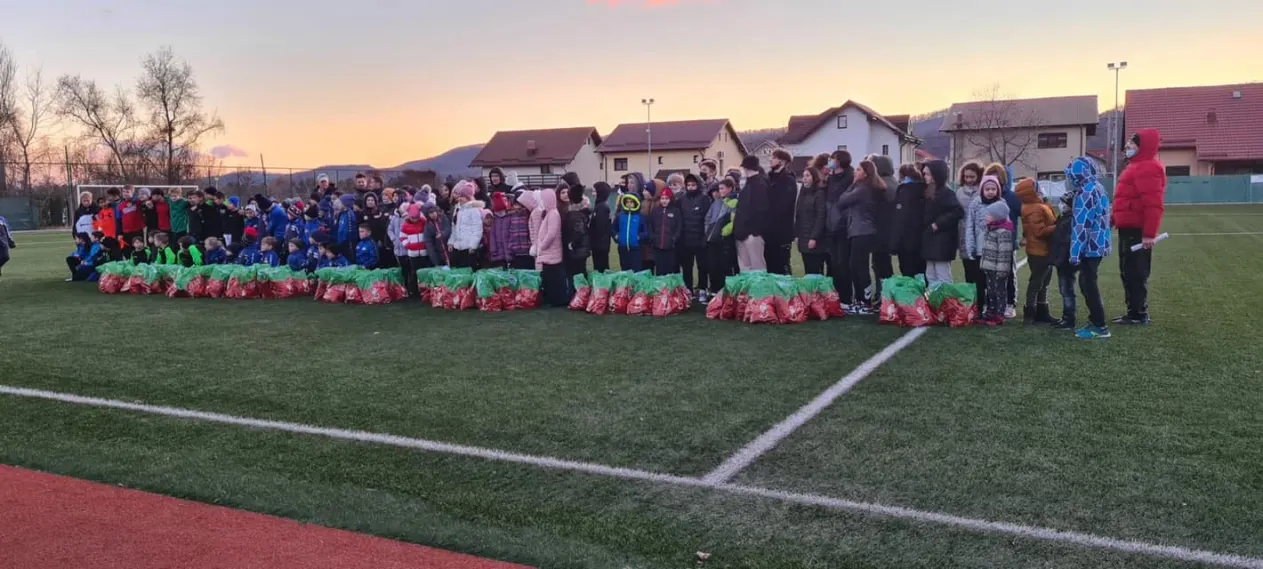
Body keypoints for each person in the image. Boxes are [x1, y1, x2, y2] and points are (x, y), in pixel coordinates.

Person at [1113, 129, 1166, 325]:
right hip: (1128, 229)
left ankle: (1139, 313)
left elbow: (1153, 205)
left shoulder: (1148, 168)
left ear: (1143, 147)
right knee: (1127, 271)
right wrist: (1113, 219)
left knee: (1136, 272)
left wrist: (1149, 234)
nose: (1127, 146)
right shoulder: (1134, 167)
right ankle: (1133, 311)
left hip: (1137, 230)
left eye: (1132, 143)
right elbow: (1123, 199)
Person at [1065, 157, 1113, 339]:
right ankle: (1095, 321)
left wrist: (1075, 253)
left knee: (1088, 284)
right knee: (1087, 282)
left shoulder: (1085, 192)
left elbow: (1082, 225)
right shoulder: (1097, 187)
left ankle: (1099, 326)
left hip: (1090, 247)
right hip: (1099, 244)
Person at [834, 160, 885, 314]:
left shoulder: (863, 189)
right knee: (855, 266)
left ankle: (865, 302)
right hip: (858, 231)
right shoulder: (864, 188)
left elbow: (842, 201)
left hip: (863, 232)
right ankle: (860, 300)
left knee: (859, 266)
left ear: (866, 173)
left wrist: (852, 185)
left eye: (858, 170)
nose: (855, 172)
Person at [1016, 178, 1057, 325]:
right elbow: (1039, 231)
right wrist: (1059, 227)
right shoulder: (1035, 208)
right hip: (1039, 251)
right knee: (1037, 283)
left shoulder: (1036, 206)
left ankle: (1041, 312)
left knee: (1043, 283)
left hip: (1042, 250)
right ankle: (1031, 314)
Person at [984, 163, 1023, 318]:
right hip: (988, 243)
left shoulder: (1011, 197)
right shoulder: (984, 197)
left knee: (1008, 274)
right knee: (989, 275)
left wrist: (1024, 236)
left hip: (1007, 243)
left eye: (997, 177)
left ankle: (1010, 303)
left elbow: (1024, 213)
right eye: (991, 176)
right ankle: (991, 303)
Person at [919, 161, 964, 284]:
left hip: (942, 241)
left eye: (928, 174)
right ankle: (934, 296)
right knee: (930, 274)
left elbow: (957, 211)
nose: (925, 177)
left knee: (942, 274)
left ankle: (945, 296)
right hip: (930, 240)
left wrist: (938, 224)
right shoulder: (929, 192)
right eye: (924, 174)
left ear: (936, 175)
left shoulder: (946, 193)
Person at [825, 151, 855, 303]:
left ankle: (846, 297)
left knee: (843, 264)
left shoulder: (849, 178)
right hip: (831, 226)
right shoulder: (831, 178)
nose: (830, 161)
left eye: (833, 158)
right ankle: (836, 296)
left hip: (843, 227)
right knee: (834, 264)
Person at [956, 162, 986, 309]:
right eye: (966, 176)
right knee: (968, 272)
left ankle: (981, 303)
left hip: (979, 237)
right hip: (964, 237)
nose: (968, 179)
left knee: (980, 273)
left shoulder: (983, 190)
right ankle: (971, 305)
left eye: (972, 177)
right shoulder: (959, 192)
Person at [733, 156, 770, 272]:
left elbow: (761, 209)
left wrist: (754, 232)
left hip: (752, 234)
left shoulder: (759, 184)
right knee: (745, 268)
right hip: (743, 232)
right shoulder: (749, 183)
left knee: (757, 266)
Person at [889, 164, 927, 276]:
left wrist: (894, 244)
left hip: (906, 241)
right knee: (922, 272)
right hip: (922, 239)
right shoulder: (925, 189)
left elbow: (899, 219)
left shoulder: (904, 191)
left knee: (908, 272)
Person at [677, 173, 711, 299]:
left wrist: (705, 237)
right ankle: (688, 290)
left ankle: (702, 289)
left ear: (698, 185)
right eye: (688, 185)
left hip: (700, 239)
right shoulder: (681, 199)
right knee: (687, 267)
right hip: (685, 240)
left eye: (693, 185)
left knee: (702, 266)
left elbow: (707, 219)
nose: (691, 187)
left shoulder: (704, 199)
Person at [765, 149, 797, 274]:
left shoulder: (789, 180)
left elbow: (784, 205)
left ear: (782, 161)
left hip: (782, 231)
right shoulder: (768, 178)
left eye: (773, 158)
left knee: (782, 265)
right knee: (769, 265)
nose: (770, 160)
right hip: (768, 232)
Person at [704, 177, 739, 295]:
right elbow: (708, 218)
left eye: (723, 188)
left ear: (730, 188)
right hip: (712, 239)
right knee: (713, 266)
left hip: (725, 240)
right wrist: (708, 231)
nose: (720, 191)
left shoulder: (735, 202)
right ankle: (714, 290)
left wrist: (723, 232)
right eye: (719, 189)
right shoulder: (716, 203)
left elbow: (734, 221)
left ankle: (726, 292)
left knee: (725, 266)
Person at [869, 156, 898, 298]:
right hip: (889, 230)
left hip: (881, 230)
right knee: (884, 264)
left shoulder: (881, 186)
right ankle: (884, 294)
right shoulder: (894, 183)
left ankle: (882, 295)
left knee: (880, 265)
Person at [535, 188, 567, 307]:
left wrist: (542, 246)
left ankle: (557, 300)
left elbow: (551, 234)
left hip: (551, 252)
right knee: (550, 277)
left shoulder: (553, 214)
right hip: (549, 253)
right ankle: (552, 298)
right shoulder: (550, 213)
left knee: (554, 277)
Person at [1049, 192, 1077, 330]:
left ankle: (1069, 319)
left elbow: (1065, 243)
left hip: (1065, 262)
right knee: (1065, 290)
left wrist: (1060, 259)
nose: (1061, 205)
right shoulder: (1064, 218)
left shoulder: (1069, 220)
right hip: (1062, 260)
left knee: (1067, 291)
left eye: (1064, 203)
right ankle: (1066, 317)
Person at [794, 166, 828, 276]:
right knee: (808, 270)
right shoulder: (802, 194)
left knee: (815, 270)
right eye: (803, 176)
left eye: (807, 176)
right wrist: (796, 235)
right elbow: (798, 216)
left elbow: (820, 216)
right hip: (803, 237)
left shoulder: (819, 193)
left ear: (814, 177)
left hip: (814, 237)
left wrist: (814, 237)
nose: (804, 178)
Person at [448, 181, 486, 269]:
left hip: (468, 247)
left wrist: (473, 246)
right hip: (457, 246)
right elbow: (454, 228)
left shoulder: (474, 209)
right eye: (459, 196)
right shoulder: (457, 209)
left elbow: (477, 229)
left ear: (468, 197)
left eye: (462, 196)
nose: (459, 198)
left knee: (467, 269)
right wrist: (451, 242)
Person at [645, 187, 682, 276]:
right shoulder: (655, 211)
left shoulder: (675, 211)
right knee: (659, 269)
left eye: (666, 198)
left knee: (670, 269)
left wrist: (674, 239)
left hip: (670, 247)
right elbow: (650, 225)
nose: (664, 201)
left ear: (670, 199)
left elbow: (679, 227)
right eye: (662, 198)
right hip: (657, 246)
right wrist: (653, 238)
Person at [561, 184, 591, 283]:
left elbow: (578, 232)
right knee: (580, 273)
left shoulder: (574, 215)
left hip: (576, 251)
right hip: (581, 250)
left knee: (575, 276)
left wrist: (571, 244)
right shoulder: (581, 213)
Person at [613, 193, 644, 271]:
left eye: (631, 202)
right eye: (627, 202)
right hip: (622, 248)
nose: (629, 204)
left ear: (636, 203)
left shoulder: (640, 217)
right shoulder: (619, 216)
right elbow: (613, 229)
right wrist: (616, 236)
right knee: (624, 270)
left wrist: (639, 237)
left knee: (636, 270)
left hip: (635, 249)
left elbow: (646, 232)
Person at [589, 182, 613, 273]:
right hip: (598, 245)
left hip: (600, 245)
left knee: (601, 268)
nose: (593, 194)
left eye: (595, 191)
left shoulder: (602, 207)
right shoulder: (598, 206)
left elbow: (600, 228)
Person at [422, 204, 451, 269]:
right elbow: (429, 244)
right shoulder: (428, 226)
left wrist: (442, 234)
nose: (433, 214)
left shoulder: (444, 218)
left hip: (449, 250)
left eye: (434, 211)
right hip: (439, 254)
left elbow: (448, 229)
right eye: (430, 213)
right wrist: (435, 261)